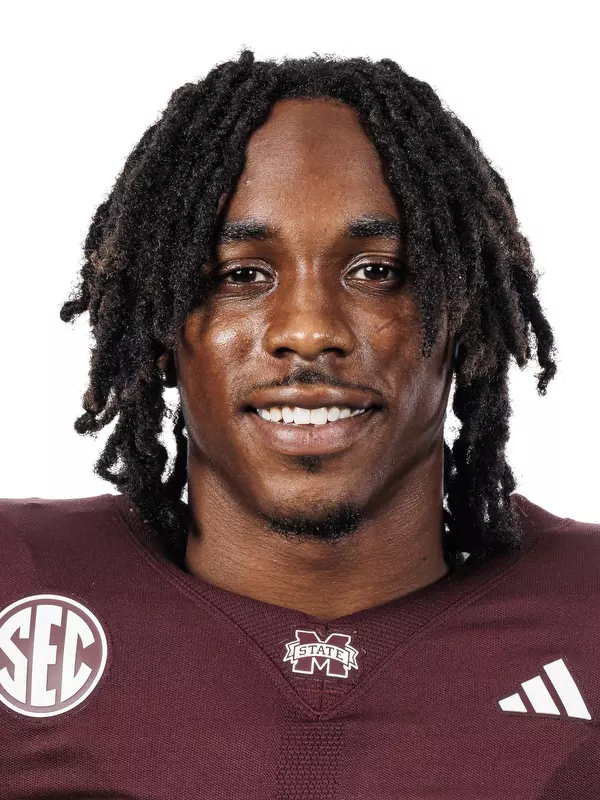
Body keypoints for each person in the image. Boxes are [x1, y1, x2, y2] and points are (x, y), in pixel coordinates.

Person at [1, 50, 598, 799]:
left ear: (467, 324)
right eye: (241, 275)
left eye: (376, 271)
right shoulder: (20, 584)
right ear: (158, 333)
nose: (309, 331)